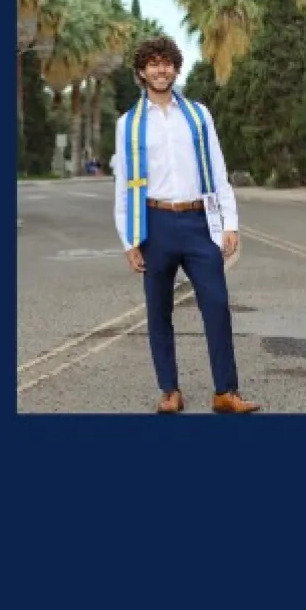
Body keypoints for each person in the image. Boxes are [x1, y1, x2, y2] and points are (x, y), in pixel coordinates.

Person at [113, 35, 260, 414]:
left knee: (217, 305)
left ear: (175, 68)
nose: (161, 70)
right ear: (142, 71)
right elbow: (123, 186)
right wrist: (129, 240)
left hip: (199, 222)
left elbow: (219, 169)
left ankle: (225, 392)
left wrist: (230, 222)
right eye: (153, 63)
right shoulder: (128, 124)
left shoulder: (198, 114)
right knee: (158, 311)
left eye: (167, 63)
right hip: (154, 224)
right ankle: (169, 391)